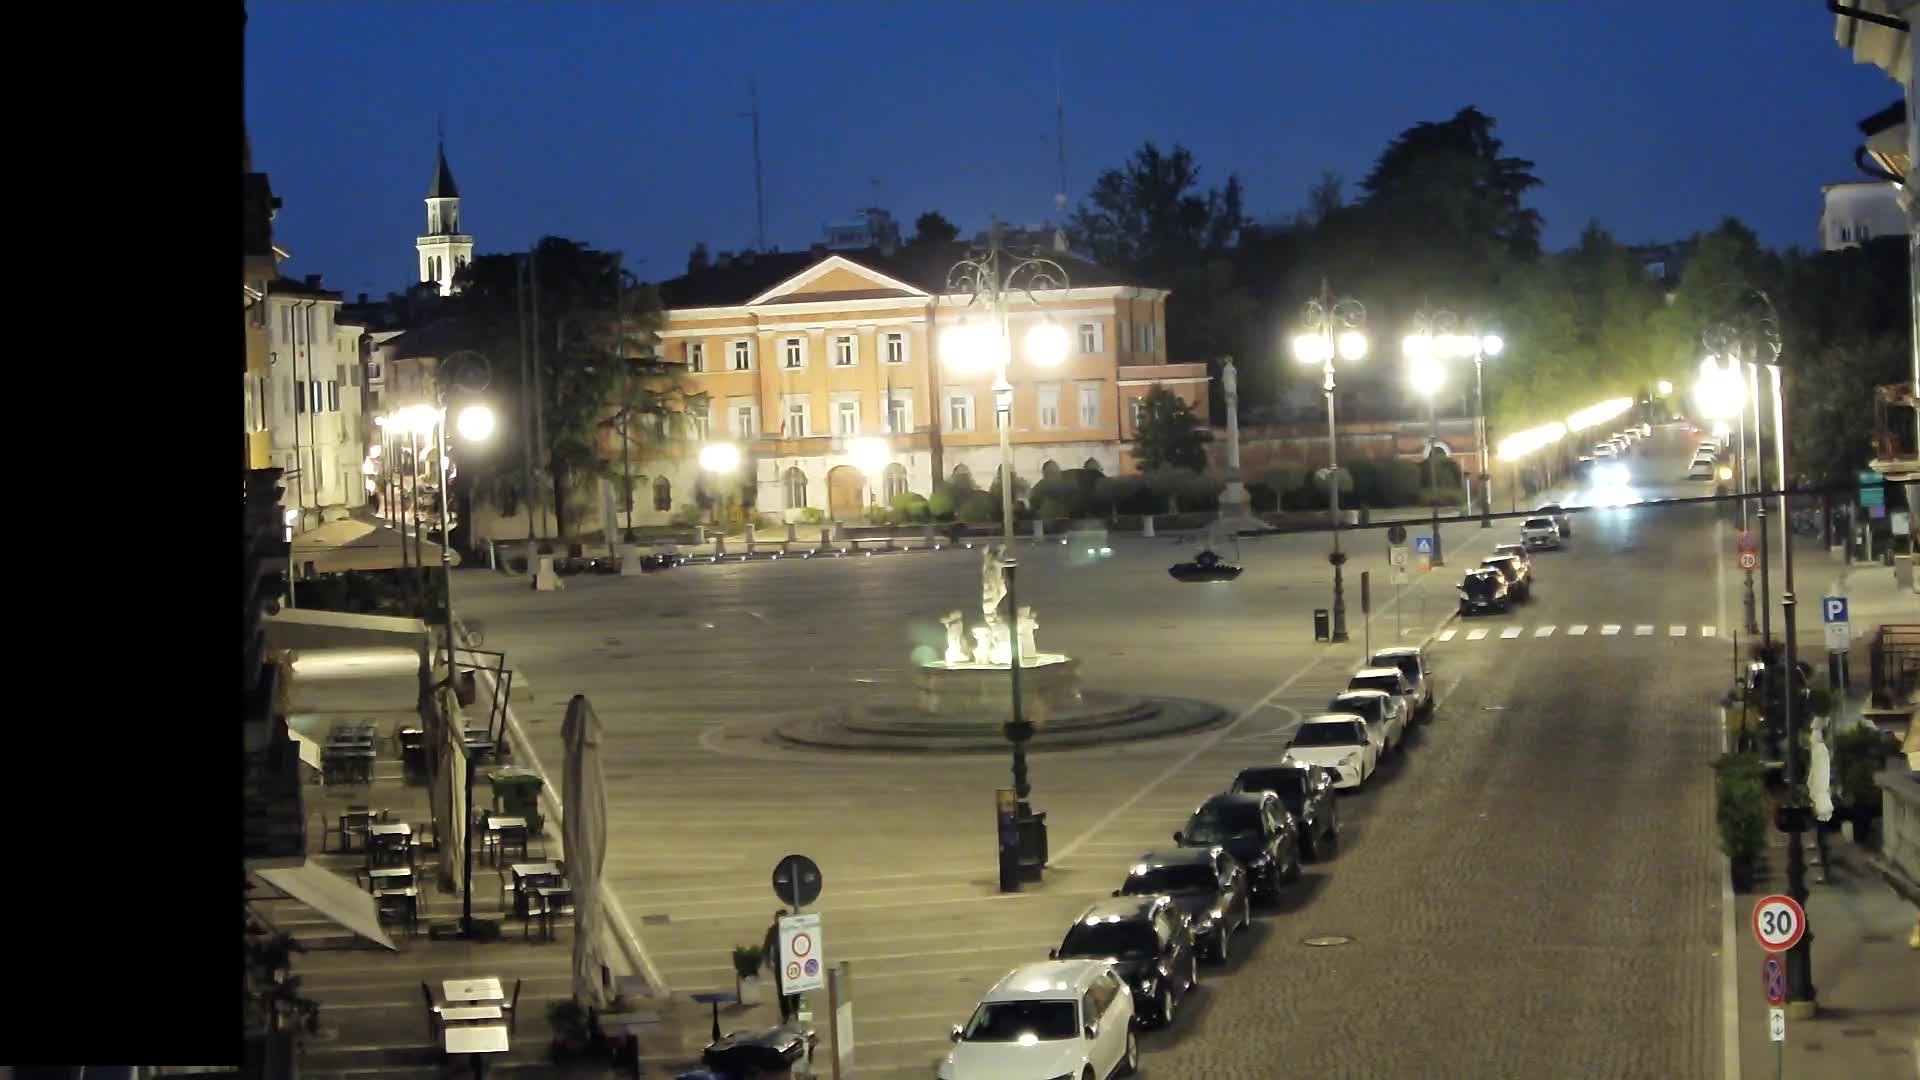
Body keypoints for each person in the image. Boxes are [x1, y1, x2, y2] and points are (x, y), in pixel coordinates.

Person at [763, 909, 797, 1023]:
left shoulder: (793, 928)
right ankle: (786, 1014)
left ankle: (795, 1010)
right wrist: (768, 961)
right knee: (782, 991)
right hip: (780, 964)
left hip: (793, 963)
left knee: (796, 988)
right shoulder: (773, 930)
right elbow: (766, 948)